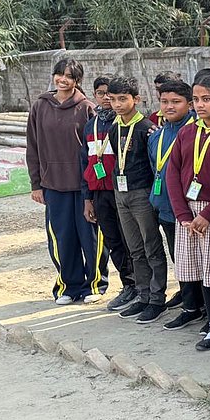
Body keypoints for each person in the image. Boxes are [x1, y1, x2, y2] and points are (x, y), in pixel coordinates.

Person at [26, 58, 107, 304]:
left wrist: (92, 189)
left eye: (69, 76)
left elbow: (95, 152)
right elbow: (33, 146)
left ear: (77, 81)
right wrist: (36, 184)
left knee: (90, 237)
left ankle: (94, 285)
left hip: (83, 187)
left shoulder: (87, 108)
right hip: (53, 186)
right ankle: (68, 287)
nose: (62, 79)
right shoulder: (40, 106)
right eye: (59, 74)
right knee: (62, 238)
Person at [165, 73, 210, 351]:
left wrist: (209, 213)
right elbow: (172, 172)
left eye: (207, 99)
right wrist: (182, 214)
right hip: (189, 214)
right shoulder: (188, 131)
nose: (200, 105)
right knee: (201, 270)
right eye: (196, 99)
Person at [105, 75, 168, 324]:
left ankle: (157, 298)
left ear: (136, 99)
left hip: (142, 192)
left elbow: (155, 165)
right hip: (120, 193)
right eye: (113, 100)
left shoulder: (147, 129)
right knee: (135, 248)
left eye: (123, 99)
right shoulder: (114, 127)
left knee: (151, 246)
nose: (118, 104)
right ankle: (142, 295)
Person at [147, 78, 200, 323]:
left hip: (190, 211)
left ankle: (199, 306)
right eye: (164, 102)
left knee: (197, 261)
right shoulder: (156, 136)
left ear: (189, 104)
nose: (169, 107)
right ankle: (189, 302)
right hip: (165, 208)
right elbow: (154, 169)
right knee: (179, 258)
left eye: (176, 102)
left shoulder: (194, 132)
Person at [83, 75, 136, 311]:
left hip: (123, 190)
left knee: (132, 241)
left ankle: (141, 285)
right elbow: (82, 163)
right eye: (102, 94)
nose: (107, 99)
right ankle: (128, 285)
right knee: (113, 241)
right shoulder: (90, 125)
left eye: (111, 95)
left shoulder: (125, 124)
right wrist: (87, 198)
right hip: (100, 193)